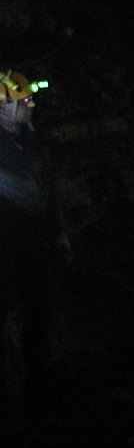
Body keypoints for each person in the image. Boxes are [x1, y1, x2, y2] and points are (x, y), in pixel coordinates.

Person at [0, 69, 52, 402]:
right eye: (23, 101)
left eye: (30, 99)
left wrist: (53, 230)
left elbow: (44, 186)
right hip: (4, 247)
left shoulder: (30, 138)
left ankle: (37, 384)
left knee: (37, 313)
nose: (30, 106)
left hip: (31, 243)